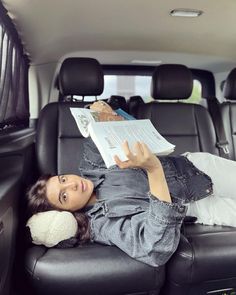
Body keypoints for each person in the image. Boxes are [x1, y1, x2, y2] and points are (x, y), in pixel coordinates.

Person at [27, 101, 236, 267]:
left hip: (196, 164)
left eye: (63, 179)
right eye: (64, 196)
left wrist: (99, 110)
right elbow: (154, 249)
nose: (72, 185)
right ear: (65, 213)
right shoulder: (102, 224)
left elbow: (100, 126)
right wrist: (154, 170)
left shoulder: (91, 164)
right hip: (199, 203)